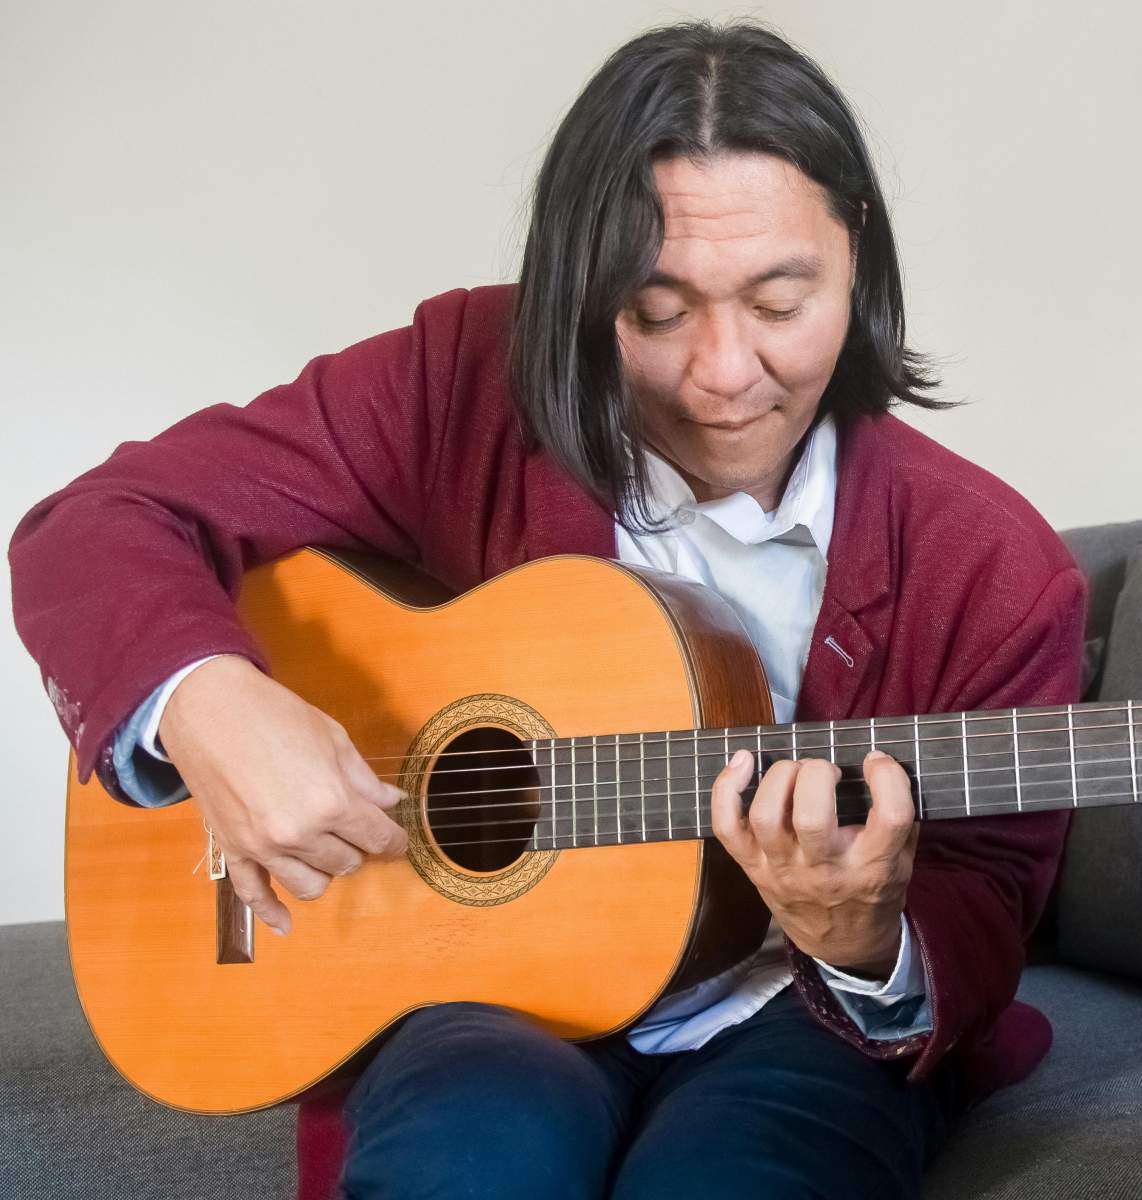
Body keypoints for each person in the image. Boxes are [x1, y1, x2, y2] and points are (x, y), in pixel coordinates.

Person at [9, 19, 1087, 1200]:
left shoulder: (994, 563)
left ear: (858, 261)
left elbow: (987, 891)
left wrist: (865, 937)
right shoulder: (456, 377)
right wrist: (207, 705)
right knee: (468, 1171)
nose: (725, 372)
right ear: (576, 282)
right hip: (484, 1001)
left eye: (781, 301)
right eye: (657, 310)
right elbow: (100, 522)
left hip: (800, 1016)